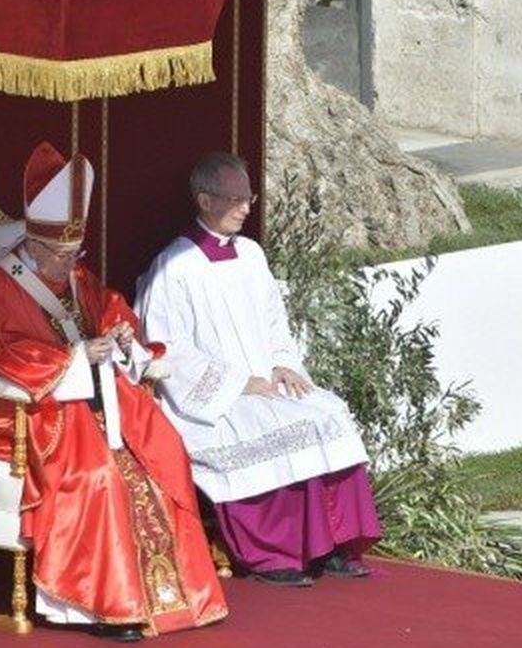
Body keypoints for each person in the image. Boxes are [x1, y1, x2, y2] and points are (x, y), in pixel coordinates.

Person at [0, 142, 227, 639]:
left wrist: (123, 332)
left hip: (92, 401)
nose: (69, 267)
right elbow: (0, 356)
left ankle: (178, 597)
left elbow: (107, 306)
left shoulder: (75, 274)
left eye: (74, 253)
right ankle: (102, 604)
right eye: (61, 256)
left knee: (163, 451)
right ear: (34, 246)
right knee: (101, 477)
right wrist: (76, 357)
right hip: (29, 411)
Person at [136, 151, 379, 586]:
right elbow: (164, 349)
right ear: (205, 200)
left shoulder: (251, 255)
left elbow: (273, 322)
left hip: (265, 380)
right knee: (265, 427)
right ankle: (275, 553)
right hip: (211, 398)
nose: (247, 208)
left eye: (249, 197)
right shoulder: (174, 269)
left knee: (328, 412)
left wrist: (283, 363)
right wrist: (236, 383)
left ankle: (332, 545)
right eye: (235, 199)